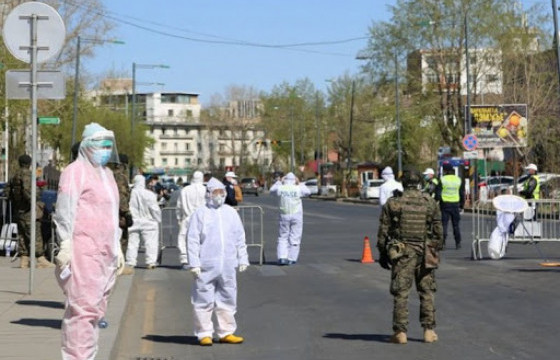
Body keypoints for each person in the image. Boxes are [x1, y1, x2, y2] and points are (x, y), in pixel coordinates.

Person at [53, 122, 124, 360]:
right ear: (87, 145)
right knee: (82, 310)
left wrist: (117, 245)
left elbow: (112, 213)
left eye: (108, 145)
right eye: (101, 145)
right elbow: (65, 210)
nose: (105, 149)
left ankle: (88, 356)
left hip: (106, 250)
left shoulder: (108, 175)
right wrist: (65, 243)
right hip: (84, 249)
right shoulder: (74, 172)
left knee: (95, 311)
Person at [377, 166, 443, 344]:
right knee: (427, 291)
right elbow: (438, 230)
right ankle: (429, 331)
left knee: (401, 292)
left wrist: (383, 253)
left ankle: (400, 332)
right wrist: (435, 249)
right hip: (425, 250)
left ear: (403, 182)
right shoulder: (429, 201)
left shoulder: (394, 202)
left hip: (403, 252)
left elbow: (383, 231)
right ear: (419, 182)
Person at [187, 177, 249, 346]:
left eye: (222, 192)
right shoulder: (200, 214)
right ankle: (204, 333)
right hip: (206, 264)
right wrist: (194, 263)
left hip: (228, 264)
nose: (219, 195)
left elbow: (239, 237)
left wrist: (242, 258)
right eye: (216, 192)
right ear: (209, 194)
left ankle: (226, 332)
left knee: (228, 297)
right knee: (203, 299)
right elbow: (192, 239)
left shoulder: (230, 212)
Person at [6, 154, 54, 269]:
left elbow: (7, 192)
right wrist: (37, 196)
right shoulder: (27, 174)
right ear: (29, 163)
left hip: (19, 210)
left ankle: (24, 259)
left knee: (22, 234)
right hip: (28, 209)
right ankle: (41, 259)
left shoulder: (14, 176)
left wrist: (16, 203)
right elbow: (29, 192)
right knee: (35, 233)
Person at [269, 172, 311, 265]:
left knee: (283, 236)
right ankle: (292, 258)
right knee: (295, 237)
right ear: (294, 180)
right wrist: (299, 182)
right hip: (296, 215)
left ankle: (282, 257)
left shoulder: (281, 188)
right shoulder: (297, 188)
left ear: (285, 179)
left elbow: (271, 190)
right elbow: (308, 192)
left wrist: (279, 181)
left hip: (284, 215)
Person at [126, 174, 162, 269]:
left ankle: (130, 262)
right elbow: (155, 209)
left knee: (132, 243)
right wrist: (158, 219)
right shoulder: (149, 194)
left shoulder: (130, 194)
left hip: (133, 221)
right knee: (151, 243)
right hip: (148, 222)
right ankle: (150, 262)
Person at [108, 154, 134, 275]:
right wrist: (126, 212)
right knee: (122, 239)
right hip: (118, 214)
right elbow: (121, 195)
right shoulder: (120, 176)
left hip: (109, 212)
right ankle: (119, 265)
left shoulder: (109, 174)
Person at [176, 170, 206, 269]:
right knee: (201, 238)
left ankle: (185, 259)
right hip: (202, 218)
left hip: (187, 217)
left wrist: (179, 218)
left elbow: (179, 206)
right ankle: (199, 258)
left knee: (184, 238)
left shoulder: (185, 190)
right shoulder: (205, 190)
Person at [435, 163, 465, 249]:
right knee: (456, 225)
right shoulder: (458, 180)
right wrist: (462, 205)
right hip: (455, 204)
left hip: (445, 204)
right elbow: (462, 193)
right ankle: (458, 243)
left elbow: (438, 194)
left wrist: (438, 201)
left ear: (445, 171)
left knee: (444, 224)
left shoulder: (442, 180)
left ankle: (443, 242)